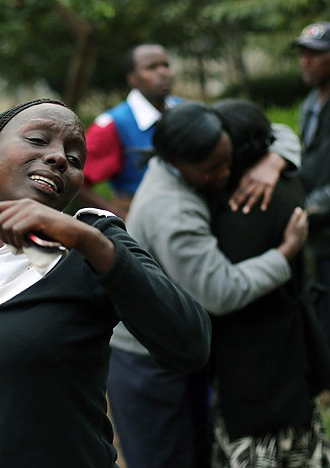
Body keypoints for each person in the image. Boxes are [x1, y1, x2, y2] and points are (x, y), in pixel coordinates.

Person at [0, 98, 211, 468]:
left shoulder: (87, 247)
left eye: (75, 157)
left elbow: (189, 345)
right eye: (37, 139)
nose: (58, 157)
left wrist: (91, 242)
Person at [108, 102, 308, 468]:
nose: (228, 172)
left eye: (228, 159)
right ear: (180, 163)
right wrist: (285, 254)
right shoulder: (174, 212)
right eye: (214, 168)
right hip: (150, 360)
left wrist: (273, 160)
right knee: (167, 459)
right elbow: (221, 291)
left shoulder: (196, 143)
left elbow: (275, 131)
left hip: (182, 341)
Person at [208, 98, 330, 466]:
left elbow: (224, 286)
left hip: (259, 353)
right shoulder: (285, 177)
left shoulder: (248, 203)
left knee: (268, 442)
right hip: (287, 339)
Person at [79, 43, 181, 218]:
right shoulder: (113, 125)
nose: (163, 72)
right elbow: (76, 180)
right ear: (132, 79)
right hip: (146, 220)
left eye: (165, 65)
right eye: (152, 67)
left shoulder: (187, 111)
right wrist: (120, 217)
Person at [293, 22, 330, 345]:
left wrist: (309, 207)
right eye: (303, 53)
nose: (305, 61)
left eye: (315, 54)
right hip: (317, 233)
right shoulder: (310, 104)